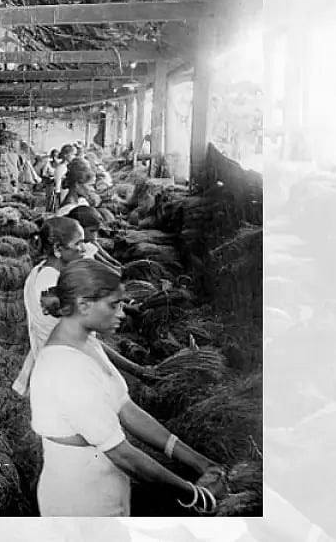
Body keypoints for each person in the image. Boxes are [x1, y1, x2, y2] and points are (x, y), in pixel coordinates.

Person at [28, 259, 227, 516]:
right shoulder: (66, 368)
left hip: (103, 485)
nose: (122, 313)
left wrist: (201, 462)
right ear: (83, 305)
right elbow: (124, 455)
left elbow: (125, 408)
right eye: (114, 305)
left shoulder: (87, 342)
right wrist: (198, 496)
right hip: (80, 501)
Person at [13, 217, 154, 396]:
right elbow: (84, 340)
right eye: (78, 243)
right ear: (57, 249)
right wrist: (136, 369)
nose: (83, 249)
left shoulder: (47, 272)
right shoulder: (50, 283)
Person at [67, 205, 122, 272]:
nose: (94, 236)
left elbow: (96, 248)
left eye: (96, 231)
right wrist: (116, 269)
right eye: (92, 231)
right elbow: (100, 263)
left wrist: (114, 263)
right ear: (79, 228)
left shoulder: (86, 241)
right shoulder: (73, 247)